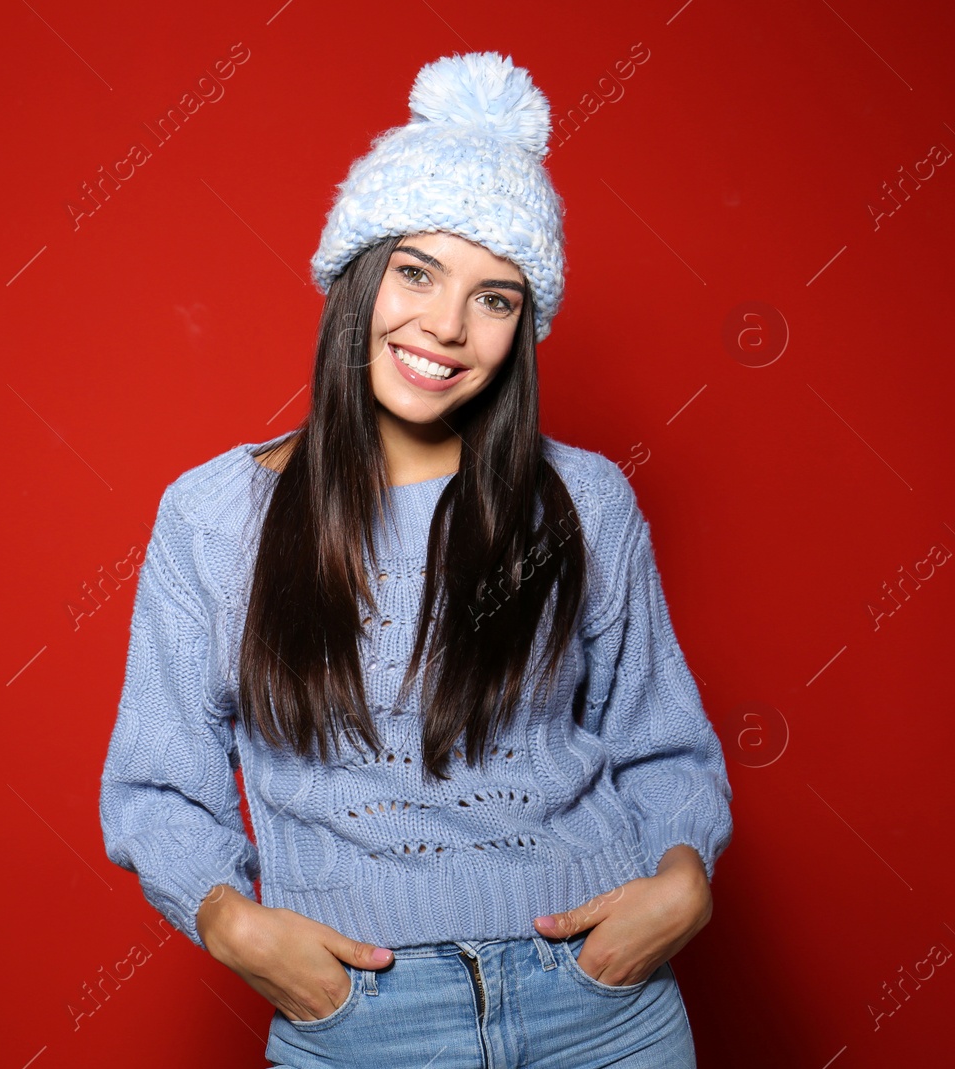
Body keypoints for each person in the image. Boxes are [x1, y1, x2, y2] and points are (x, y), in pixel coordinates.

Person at [98, 51, 733, 1068]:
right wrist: (231, 921)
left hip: (602, 1005)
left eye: (497, 296)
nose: (445, 326)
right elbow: (157, 784)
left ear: (524, 326)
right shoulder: (215, 516)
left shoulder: (585, 501)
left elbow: (661, 741)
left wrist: (680, 879)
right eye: (416, 272)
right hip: (366, 1018)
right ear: (356, 276)